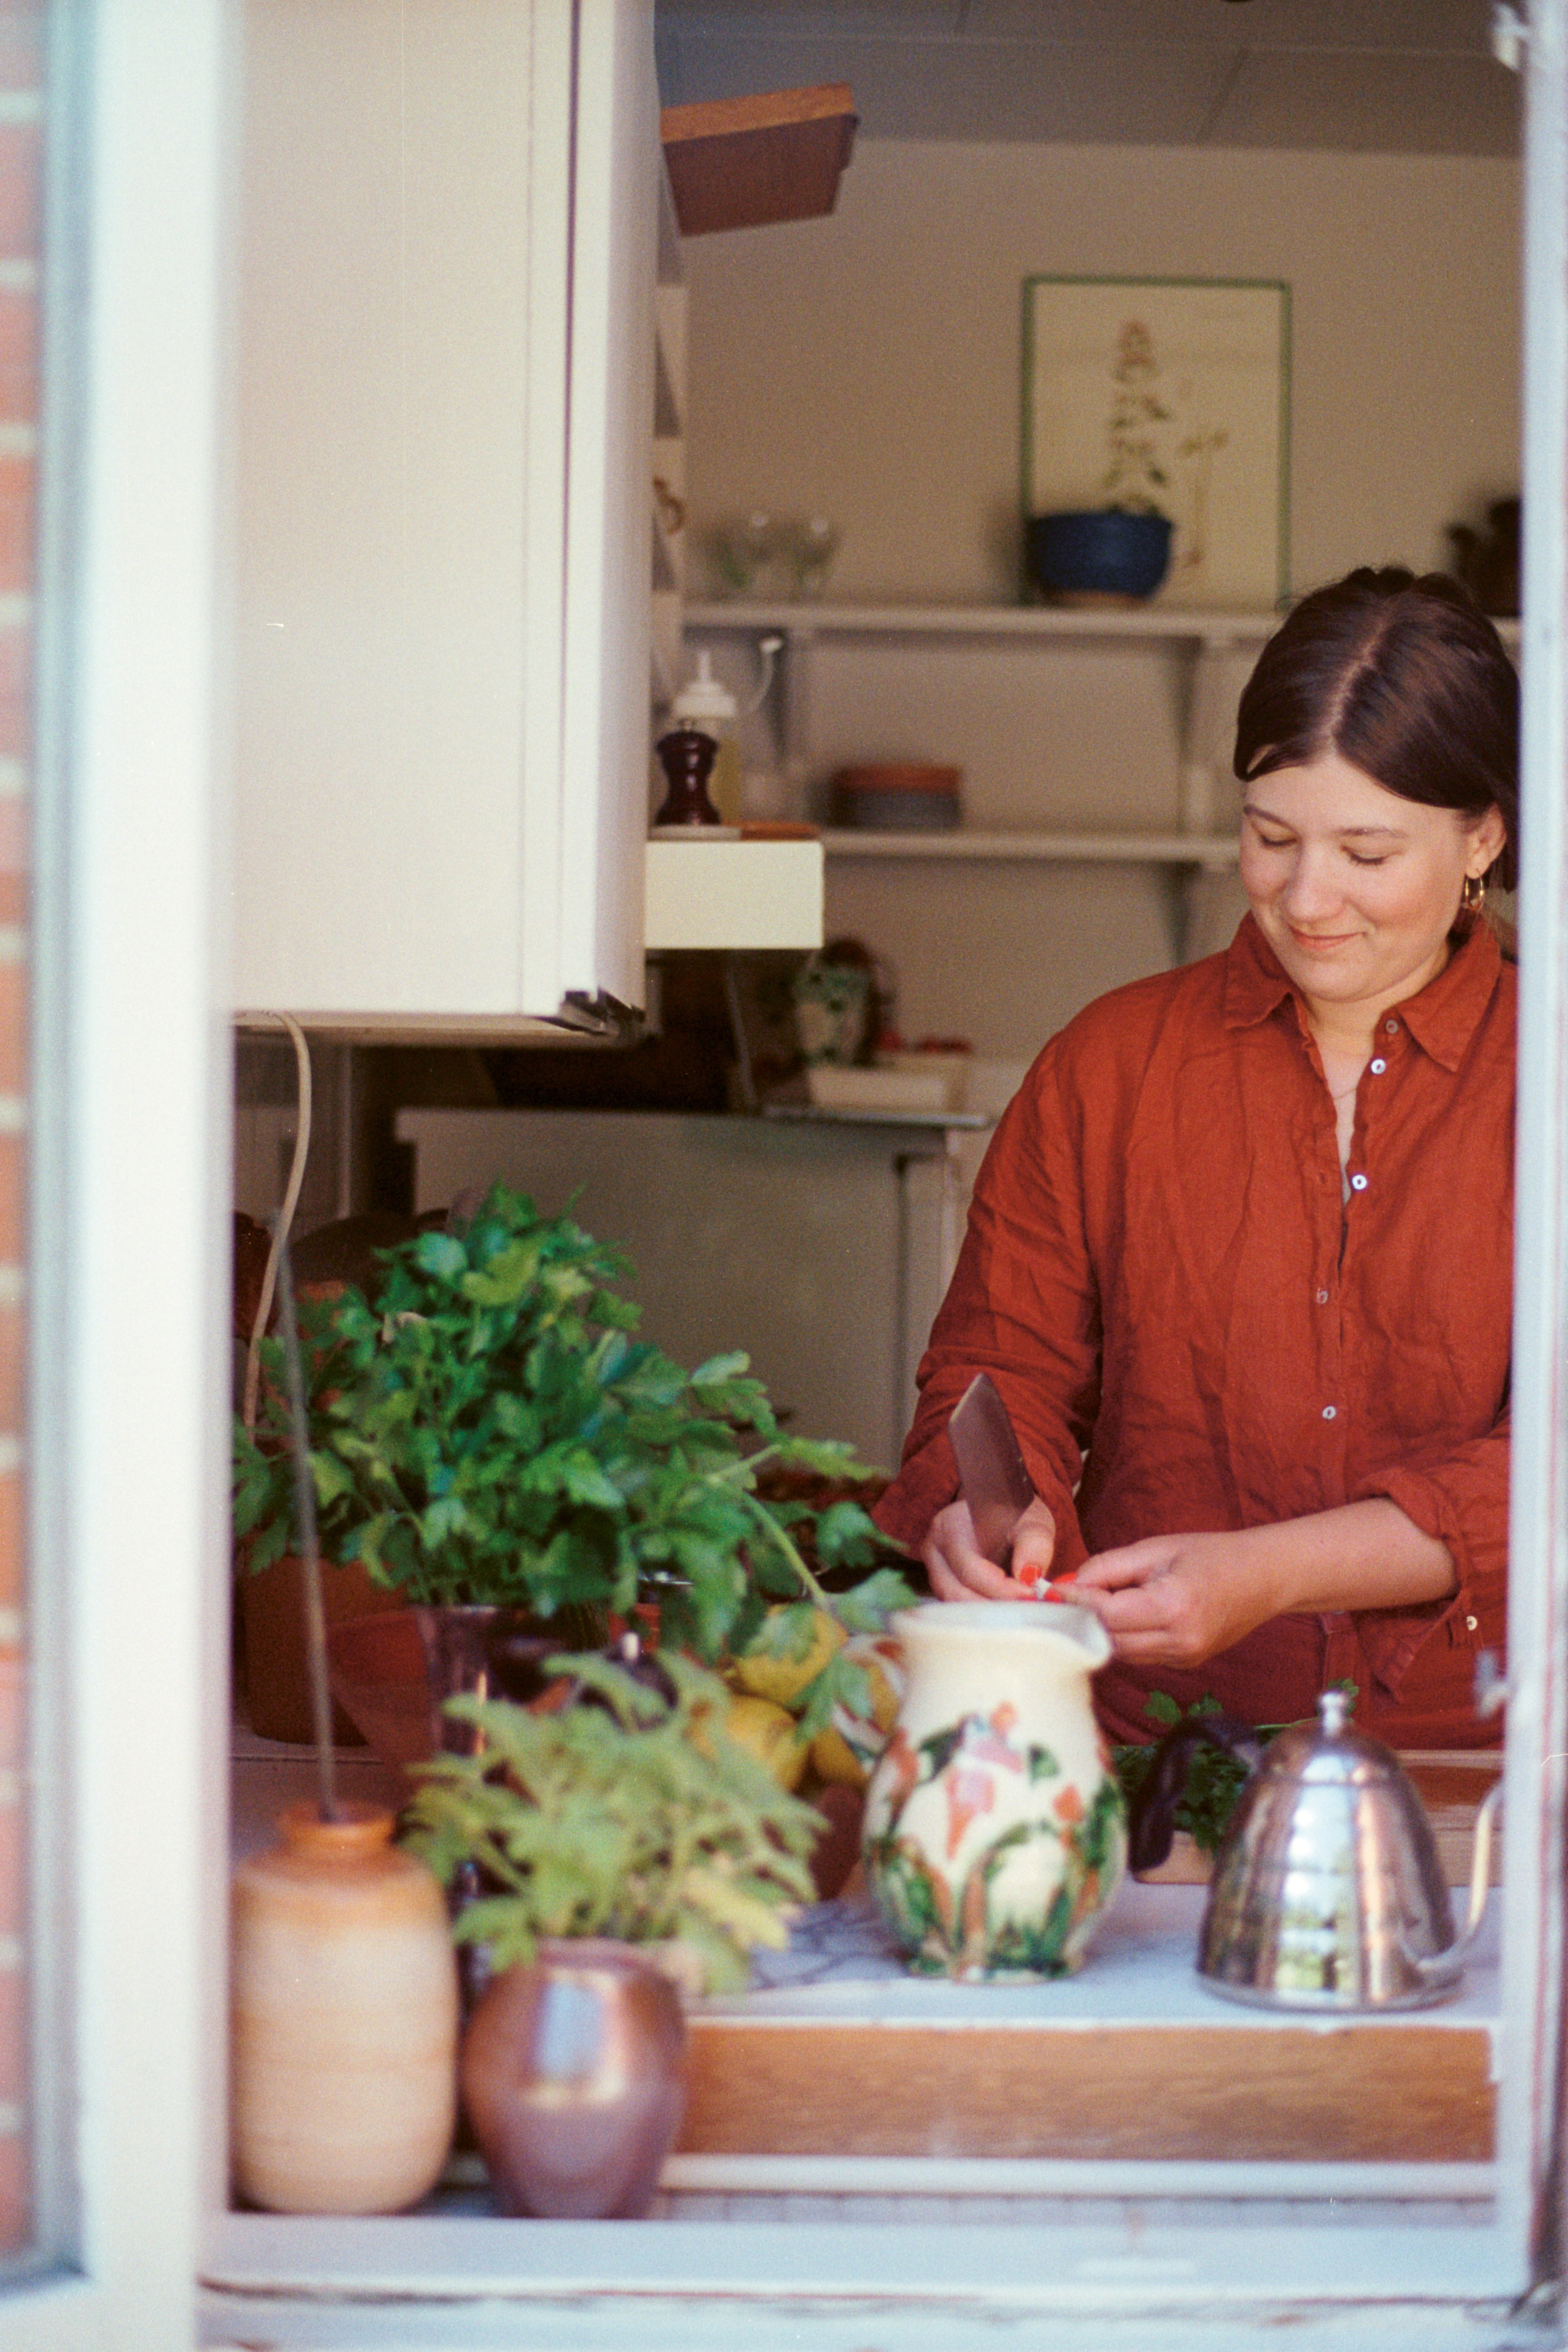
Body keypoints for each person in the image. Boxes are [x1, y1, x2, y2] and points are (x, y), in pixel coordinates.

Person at [872, 567, 1517, 1750]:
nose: (1307, 897)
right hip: (1145, 1753)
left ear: (1483, 834)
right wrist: (979, 1507)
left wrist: (1267, 1574)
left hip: (1477, 1771)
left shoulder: (1554, 1085)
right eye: (1271, 838)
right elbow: (997, 1361)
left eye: (1367, 853)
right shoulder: (1109, 1067)